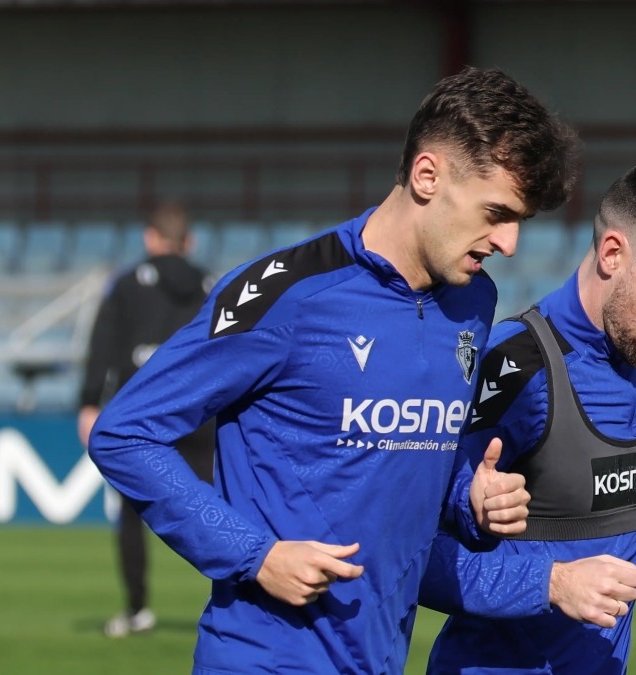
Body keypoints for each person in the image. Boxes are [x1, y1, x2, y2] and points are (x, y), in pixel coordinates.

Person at [87, 66, 580, 674]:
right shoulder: (289, 293)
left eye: (519, 223)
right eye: (496, 213)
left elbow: (408, 473)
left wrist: (469, 500)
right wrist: (256, 555)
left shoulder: (473, 303)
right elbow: (126, 433)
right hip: (265, 659)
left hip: (381, 657)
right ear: (427, 176)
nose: (508, 243)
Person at [419, 157, 636, 674]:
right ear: (613, 253)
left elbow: (567, 504)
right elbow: (415, 550)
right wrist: (544, 576)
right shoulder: (515, 365)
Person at [77, 201, 216, 638]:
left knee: (131, 513)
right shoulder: (214, 286)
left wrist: (89, 403)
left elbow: (103, 345)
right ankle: (243, 603)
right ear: (188, 242)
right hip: (201, 413)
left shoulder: (124, 286)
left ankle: (137, 610)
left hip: (142, 417)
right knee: (229, 506)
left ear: (150, 238)